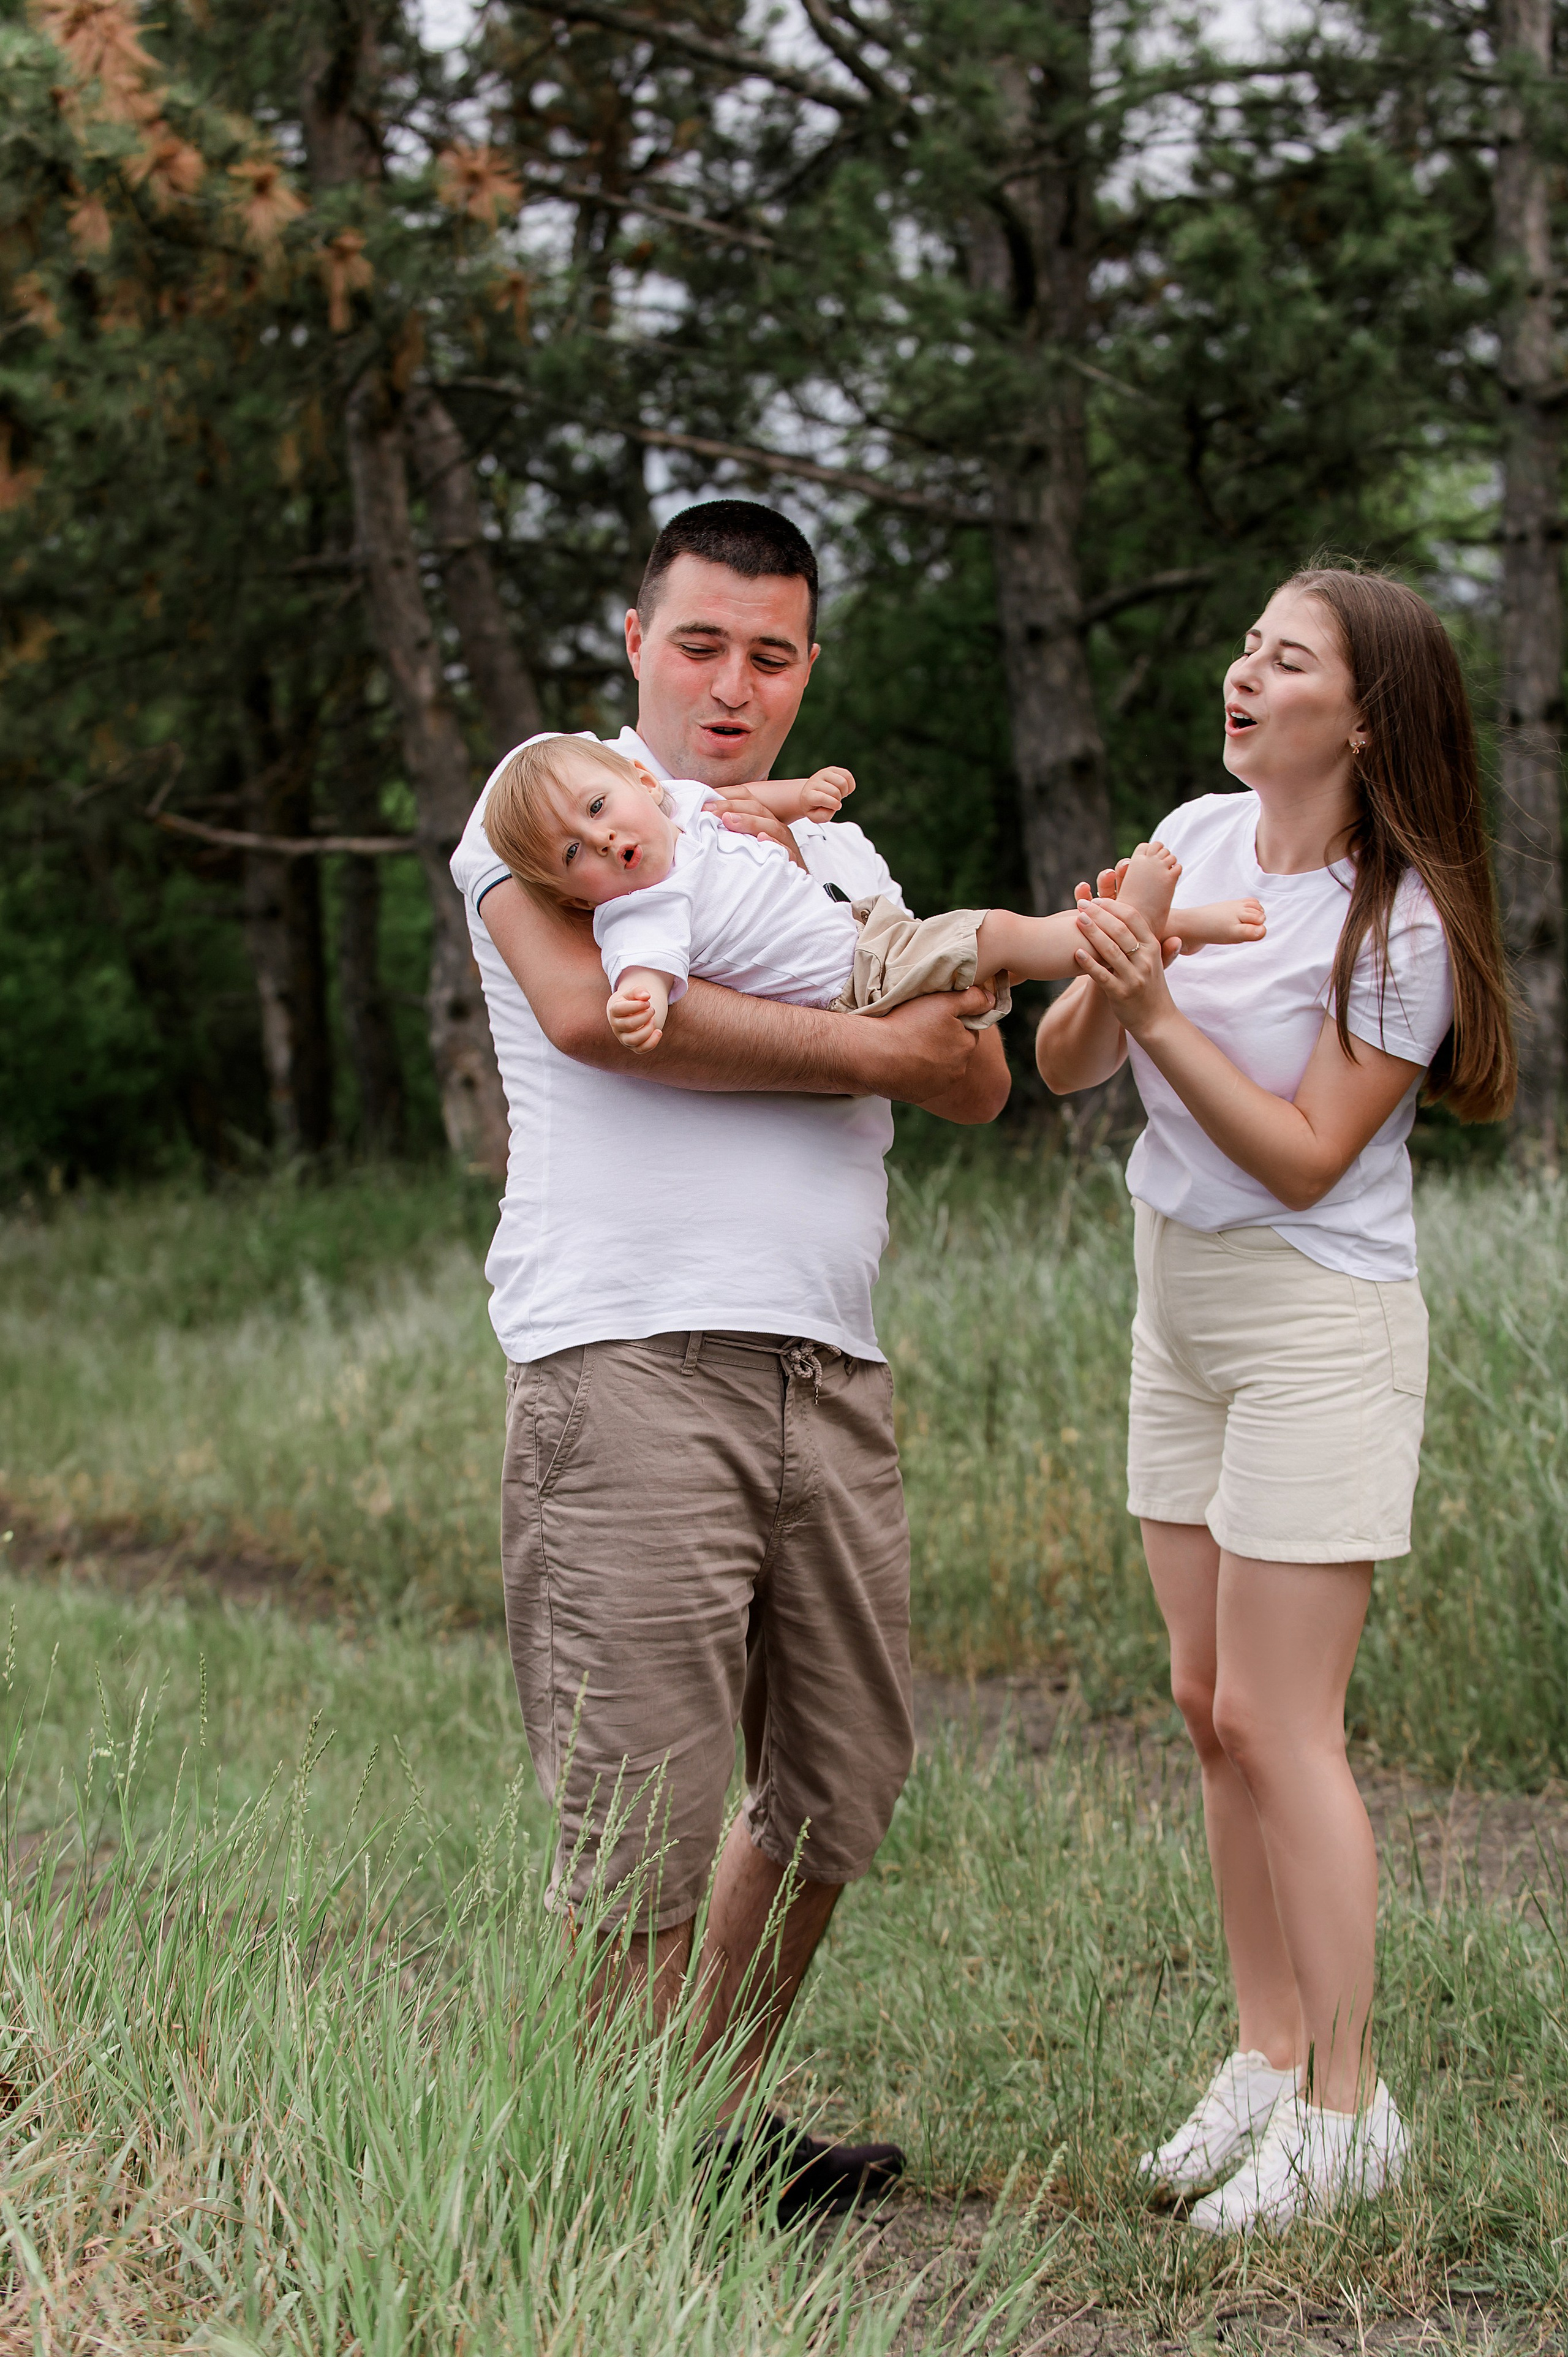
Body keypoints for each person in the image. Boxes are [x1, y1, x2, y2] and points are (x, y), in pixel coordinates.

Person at [449, 499, 1011, 2221]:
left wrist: (898, 1040)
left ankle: (693, 2123)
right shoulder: (552, 810)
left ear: (805, 667)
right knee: (641, 1806)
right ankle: (607, 2196)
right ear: (638, 642)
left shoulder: (836, 863)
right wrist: (872, 1040)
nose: (733, 682)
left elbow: (984, 1077)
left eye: (771, 653)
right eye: (700, 642)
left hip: (828, 1373)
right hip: (630, 1361)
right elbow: (612, 1028)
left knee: (841, 1780)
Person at [1036, 565, 1515, 2235]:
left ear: (1364, 714)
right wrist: (1109, 970)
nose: (1244, 675)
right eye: (1246, 647)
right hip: (1181, 1303)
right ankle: (1263, 2052)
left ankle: (1349, 2102)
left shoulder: (1402, 928)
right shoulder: (1194, 831)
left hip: (1320, 1320)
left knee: (1279, 1721)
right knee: (1199, 1700)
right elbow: (1062, 1067)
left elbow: (1312, 1160)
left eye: (1285, 659)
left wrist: (1157, 1001)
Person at [479, 735, 1267, 1052]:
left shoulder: (681, 806)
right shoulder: (637, 911)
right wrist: (641, 1002)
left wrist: (803, 792)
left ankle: (1160, 928)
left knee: (1008, 958)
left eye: (595, 809)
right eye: (574, 854)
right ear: (579, 901)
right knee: (997, 935)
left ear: (642, 783)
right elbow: (641, 969)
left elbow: (748, 793)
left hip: (865, 928)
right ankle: (1136, 923)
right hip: (853, 986)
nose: (602, 841)